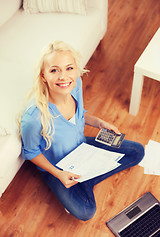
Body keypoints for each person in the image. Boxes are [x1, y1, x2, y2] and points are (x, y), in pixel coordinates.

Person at [20, 41, 144, 221]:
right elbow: (30, 152)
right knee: (86, 211)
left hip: (82, 147)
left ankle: (87, 177)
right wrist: (59, 174)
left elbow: (80, 115)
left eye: (69, 68)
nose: (63, 76)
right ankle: (85, 177)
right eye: (54, 70)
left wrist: (100, 123)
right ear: (44, 76)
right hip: (58, 168)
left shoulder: (75, 85)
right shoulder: (33, 117)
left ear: (76, 70)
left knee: (137, 152)